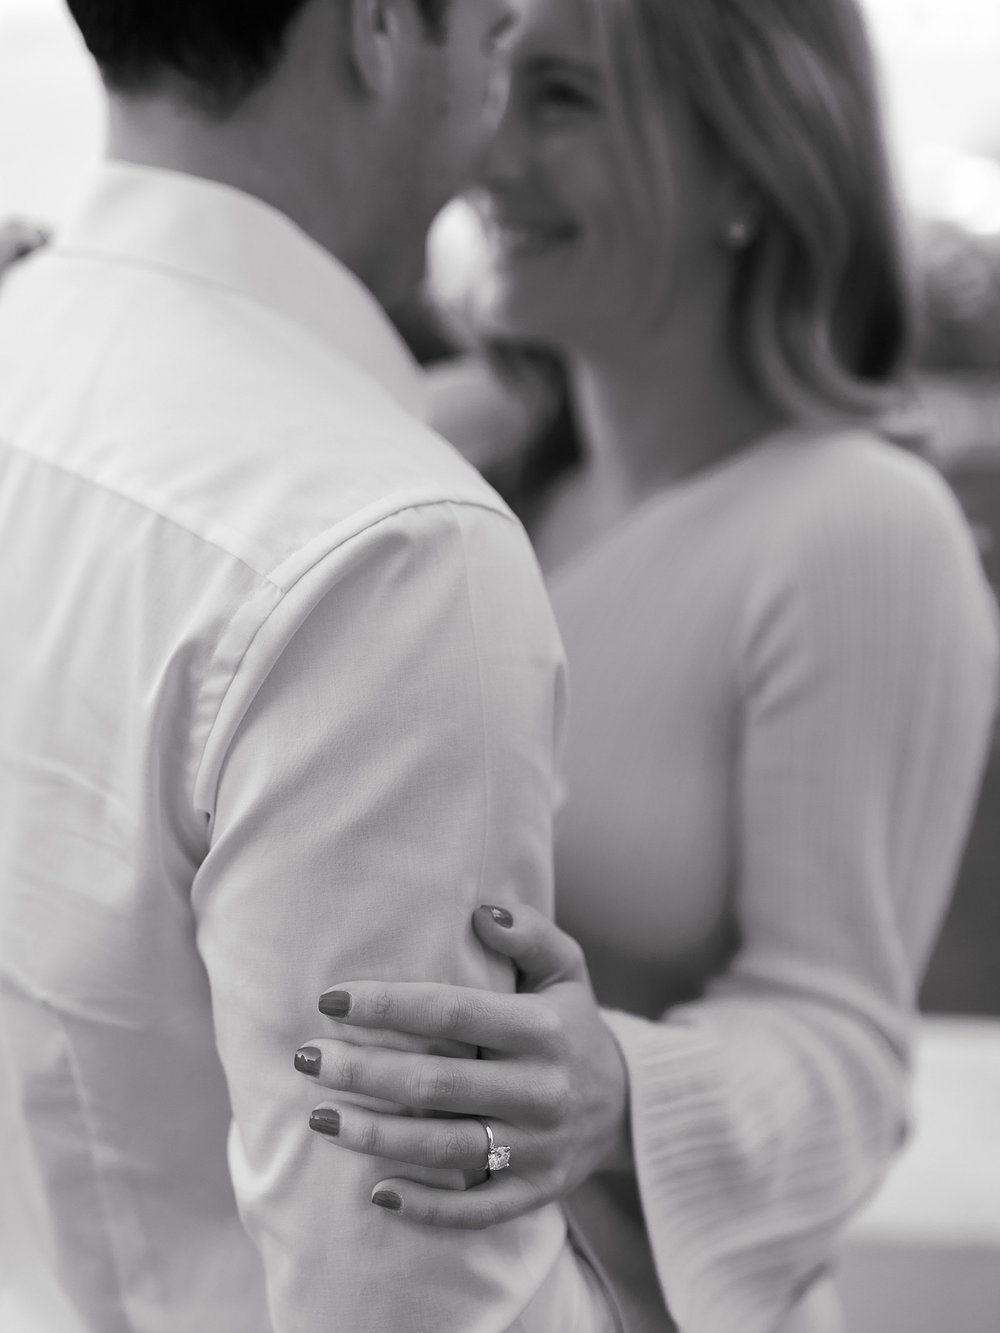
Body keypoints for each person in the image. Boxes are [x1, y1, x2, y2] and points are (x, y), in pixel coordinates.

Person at [286, 2, 1000, 1332]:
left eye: (562, 97)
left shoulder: (861, 533)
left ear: (749, 164)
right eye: (499, 74)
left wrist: (614, 1086)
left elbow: (845, 1048)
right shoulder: (448, 446)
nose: (487, 151)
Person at [0, 3, 624, 1331]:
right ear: (383, 27)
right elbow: (415, 1301)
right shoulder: (391, 548)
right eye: (499, 34)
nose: (501, 98)